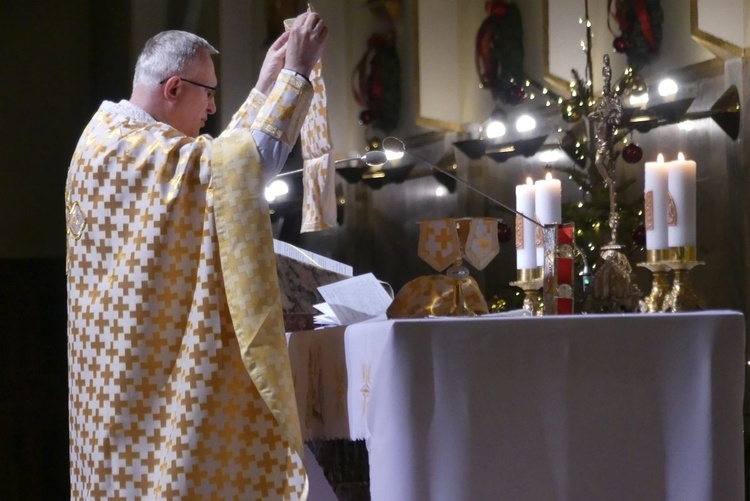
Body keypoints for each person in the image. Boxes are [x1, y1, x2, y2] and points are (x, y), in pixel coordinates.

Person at [65, 11, 328, 500]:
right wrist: (295, 78)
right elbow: (239, 170)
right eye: (208, 94)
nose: (211, 108)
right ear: (172, 88)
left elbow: (218, 168)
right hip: (144, 388)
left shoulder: (114, 140)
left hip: (128, 376)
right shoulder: (127, 151)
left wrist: (265, 86)